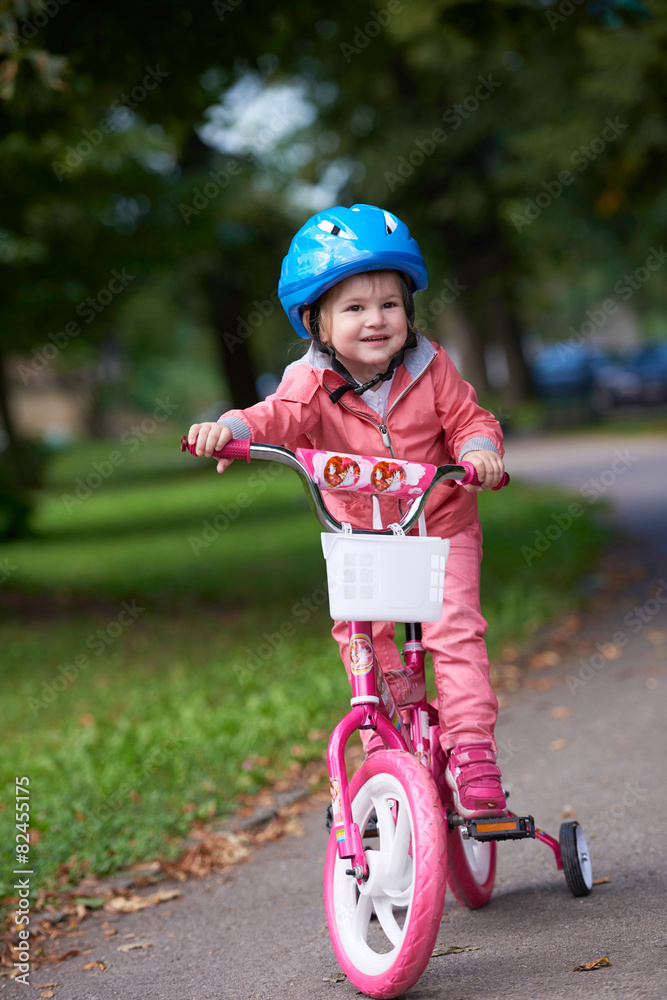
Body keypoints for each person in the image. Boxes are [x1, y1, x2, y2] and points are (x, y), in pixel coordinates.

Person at [188, 204, 507, 818]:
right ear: (317, 322)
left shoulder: (430, 367)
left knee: (456, 633)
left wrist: (478, 451)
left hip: (440, 527)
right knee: (364, 641)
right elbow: (272, 416)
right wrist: (228, 429)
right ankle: (385, 753)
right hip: (360, 536)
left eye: (389, 304)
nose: (376, 320)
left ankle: (471, 753)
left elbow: (472, 419)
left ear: (408, 312)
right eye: (354, 308)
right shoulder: (309, 383)